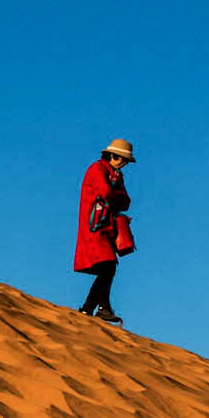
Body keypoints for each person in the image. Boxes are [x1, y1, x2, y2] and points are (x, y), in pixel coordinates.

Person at [73, 137, 134, 321]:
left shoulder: (116, 175)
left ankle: (93, 307)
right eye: (120, 158)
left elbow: (126, 202)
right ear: (112, 155)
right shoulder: (97, 169)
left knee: (108, 266)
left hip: (107, 227)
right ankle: (98, 307)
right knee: (108, 265)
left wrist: (114, 196)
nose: (123, 163)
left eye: (125, 160)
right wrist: (115, 196)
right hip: (94, 226)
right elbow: (106, 192)